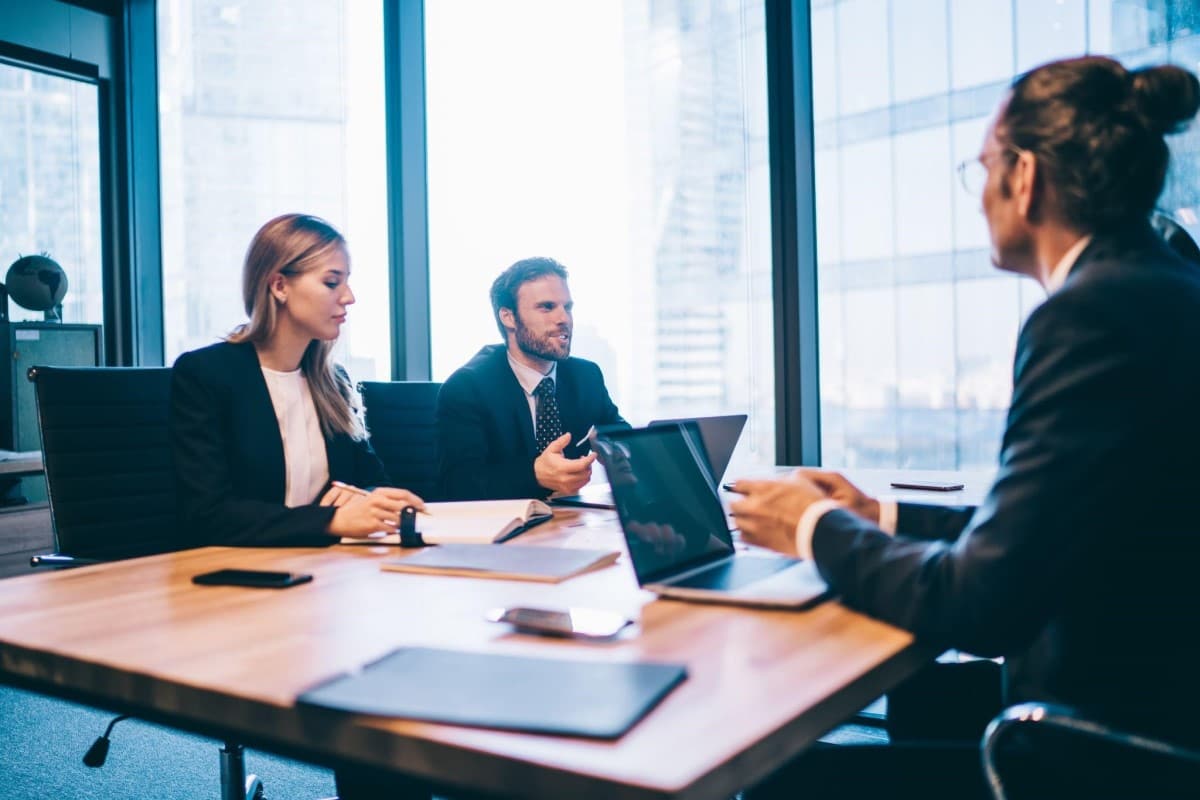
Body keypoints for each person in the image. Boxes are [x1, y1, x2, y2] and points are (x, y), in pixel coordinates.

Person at [732, 56, 1200, 798]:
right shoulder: (1164, 286)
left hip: (1101, 745)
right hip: (1152, 691)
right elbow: (1050, 527)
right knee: (917, 699)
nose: (978, 194)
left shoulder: (1090, 316)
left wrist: (812, 527)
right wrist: (878, 515)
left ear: (1025, 177)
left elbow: (980, 606)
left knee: (776, 779)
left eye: (981, 167)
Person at [170, 213, 424, 547]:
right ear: (279, 286)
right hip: (241, 568)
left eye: (346, 282)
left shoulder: (333, 381)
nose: (349, 297)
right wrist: (331, 520)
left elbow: (372, 480)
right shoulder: (206, 375)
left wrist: (369, 497)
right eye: (331, 283)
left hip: (323, 566)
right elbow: (208, 514)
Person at [437, 256, 626, 500]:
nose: (564, 319)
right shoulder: (467, 388)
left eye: (567, 307)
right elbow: (458, 485)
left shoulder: (585, 375)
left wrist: (618, 448)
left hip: (571, 516)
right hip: (504, 520)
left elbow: (616, 430)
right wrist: (534, 475)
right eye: (547, 307)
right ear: (508, 317)